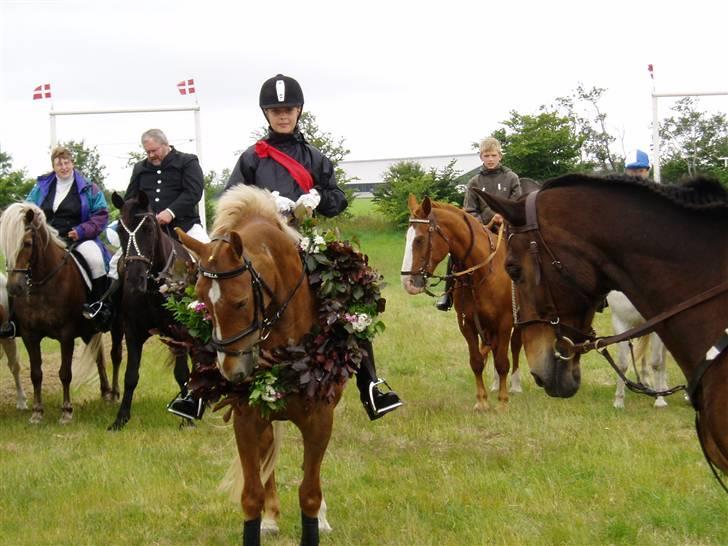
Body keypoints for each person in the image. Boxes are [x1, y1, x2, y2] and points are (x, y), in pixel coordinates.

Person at [169, 74, 402, 421]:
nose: (283, 116)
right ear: (266, 114)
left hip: (307, 243)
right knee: (211, 297)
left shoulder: (315, 157)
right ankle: (196, 391)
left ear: (299, 112)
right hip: (257, 250)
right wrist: (264, 204)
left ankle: (370, 385)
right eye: (276, 110)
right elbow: (230, 199)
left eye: (288, 109)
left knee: (353, 300)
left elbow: (337, 199)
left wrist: (318, 199)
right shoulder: (251, 158)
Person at [82, 129, 209, 322]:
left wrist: (170, 212)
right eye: (147, 152)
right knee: (116, 264)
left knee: (211, 258)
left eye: (154, 151)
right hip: (146, 231)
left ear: (166, 144)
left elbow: (193, 192)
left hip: (184, 226)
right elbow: (131, 197)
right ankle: (108, 309)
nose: (150, 156)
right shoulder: (140, 168)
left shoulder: (187, 162)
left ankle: (210, 311)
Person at [0, 146, 110, 338]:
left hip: (77, 238)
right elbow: (27, 210)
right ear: (53, 166)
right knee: (17, 263)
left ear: (72, 163)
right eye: (59, 164)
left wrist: (82, 230)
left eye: (66, 162)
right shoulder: (41, 187)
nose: (63, 167)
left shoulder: (88, 188)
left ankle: (98, 308)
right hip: (46, 240)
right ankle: (12, 320)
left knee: (96, 260)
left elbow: (101, 214)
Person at [436, 137, 521, 311]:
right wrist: (487, 223)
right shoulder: (474, 182)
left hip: (509, 229)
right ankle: (447, 296)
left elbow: (517, 204)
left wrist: (503, 217)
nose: (490, 159)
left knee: (526, 252)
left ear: (500, 156)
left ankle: (529, 295)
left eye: (493, 155)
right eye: (486, 155)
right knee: (455, 254)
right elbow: (469, 210)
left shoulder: (511, 178)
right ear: (481, 157)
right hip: (481, 231)